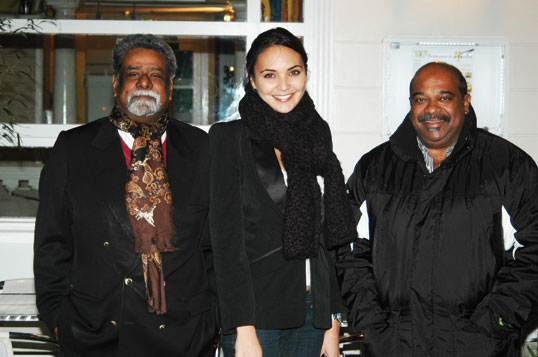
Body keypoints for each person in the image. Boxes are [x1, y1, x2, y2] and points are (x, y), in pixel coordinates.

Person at [33, 34, 218, 356]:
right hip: (97, 332)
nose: (144, 81)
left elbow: (219, 245)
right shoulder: (73, 148)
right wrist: (59, 320)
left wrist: (214, 318)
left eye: (156, 74)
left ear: (170, 88)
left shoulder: (202, 149)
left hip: (185, 334)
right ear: (117, 84)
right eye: (134, 73)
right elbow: (52, 244)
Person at [337, 61, 538, 356]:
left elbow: (533, 250)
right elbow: (348, 250)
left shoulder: (506, 165)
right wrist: (374, 325)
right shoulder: (375, 168)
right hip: (395, 347)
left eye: (444, 97)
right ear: (411, 105)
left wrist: (494, 324)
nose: (432, 109)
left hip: (480, 347)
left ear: (465, 103)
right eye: (421, 99)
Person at [209, 27, 356, 357]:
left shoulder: (317, 135)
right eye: (270, 75)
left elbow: (327, 240)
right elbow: (226, 242)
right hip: (257, 314)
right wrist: (241, 328)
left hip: (312, 312)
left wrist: (331, 320)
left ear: (306, 73)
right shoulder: (228, 137)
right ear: (252, 79)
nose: (284, 86)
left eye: (294, 72)